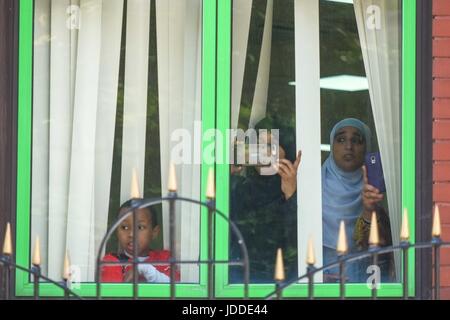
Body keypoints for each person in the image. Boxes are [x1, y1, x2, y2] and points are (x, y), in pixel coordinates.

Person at [229, 116, 302, 283]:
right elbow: (218, 231)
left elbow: (297, 245)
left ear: (287, 151)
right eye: (258, 146)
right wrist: (228, 179)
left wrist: (290, 194)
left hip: (286, 284)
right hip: (236, 284)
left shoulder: (303, 191)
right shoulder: (240, 188)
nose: (264, 152)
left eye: (271, 146)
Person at [321, 118, 393, 282]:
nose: (348, 147)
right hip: (318, 281)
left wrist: (370, 209)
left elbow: (384, 244)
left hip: (365, 279)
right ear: (332, 146)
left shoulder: (379, 190)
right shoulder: (314, 187)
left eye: (357, 141)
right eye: (341, 140)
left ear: (366, 147)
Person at [101, 199, 180, 283]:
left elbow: (177, 289)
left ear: (154, 232)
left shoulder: (164, 258)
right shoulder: (112, 262)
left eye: (140, 227)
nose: (131, 234)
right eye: (124, 227)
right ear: (117, 231)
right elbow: (115, 293)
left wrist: (144, 269)